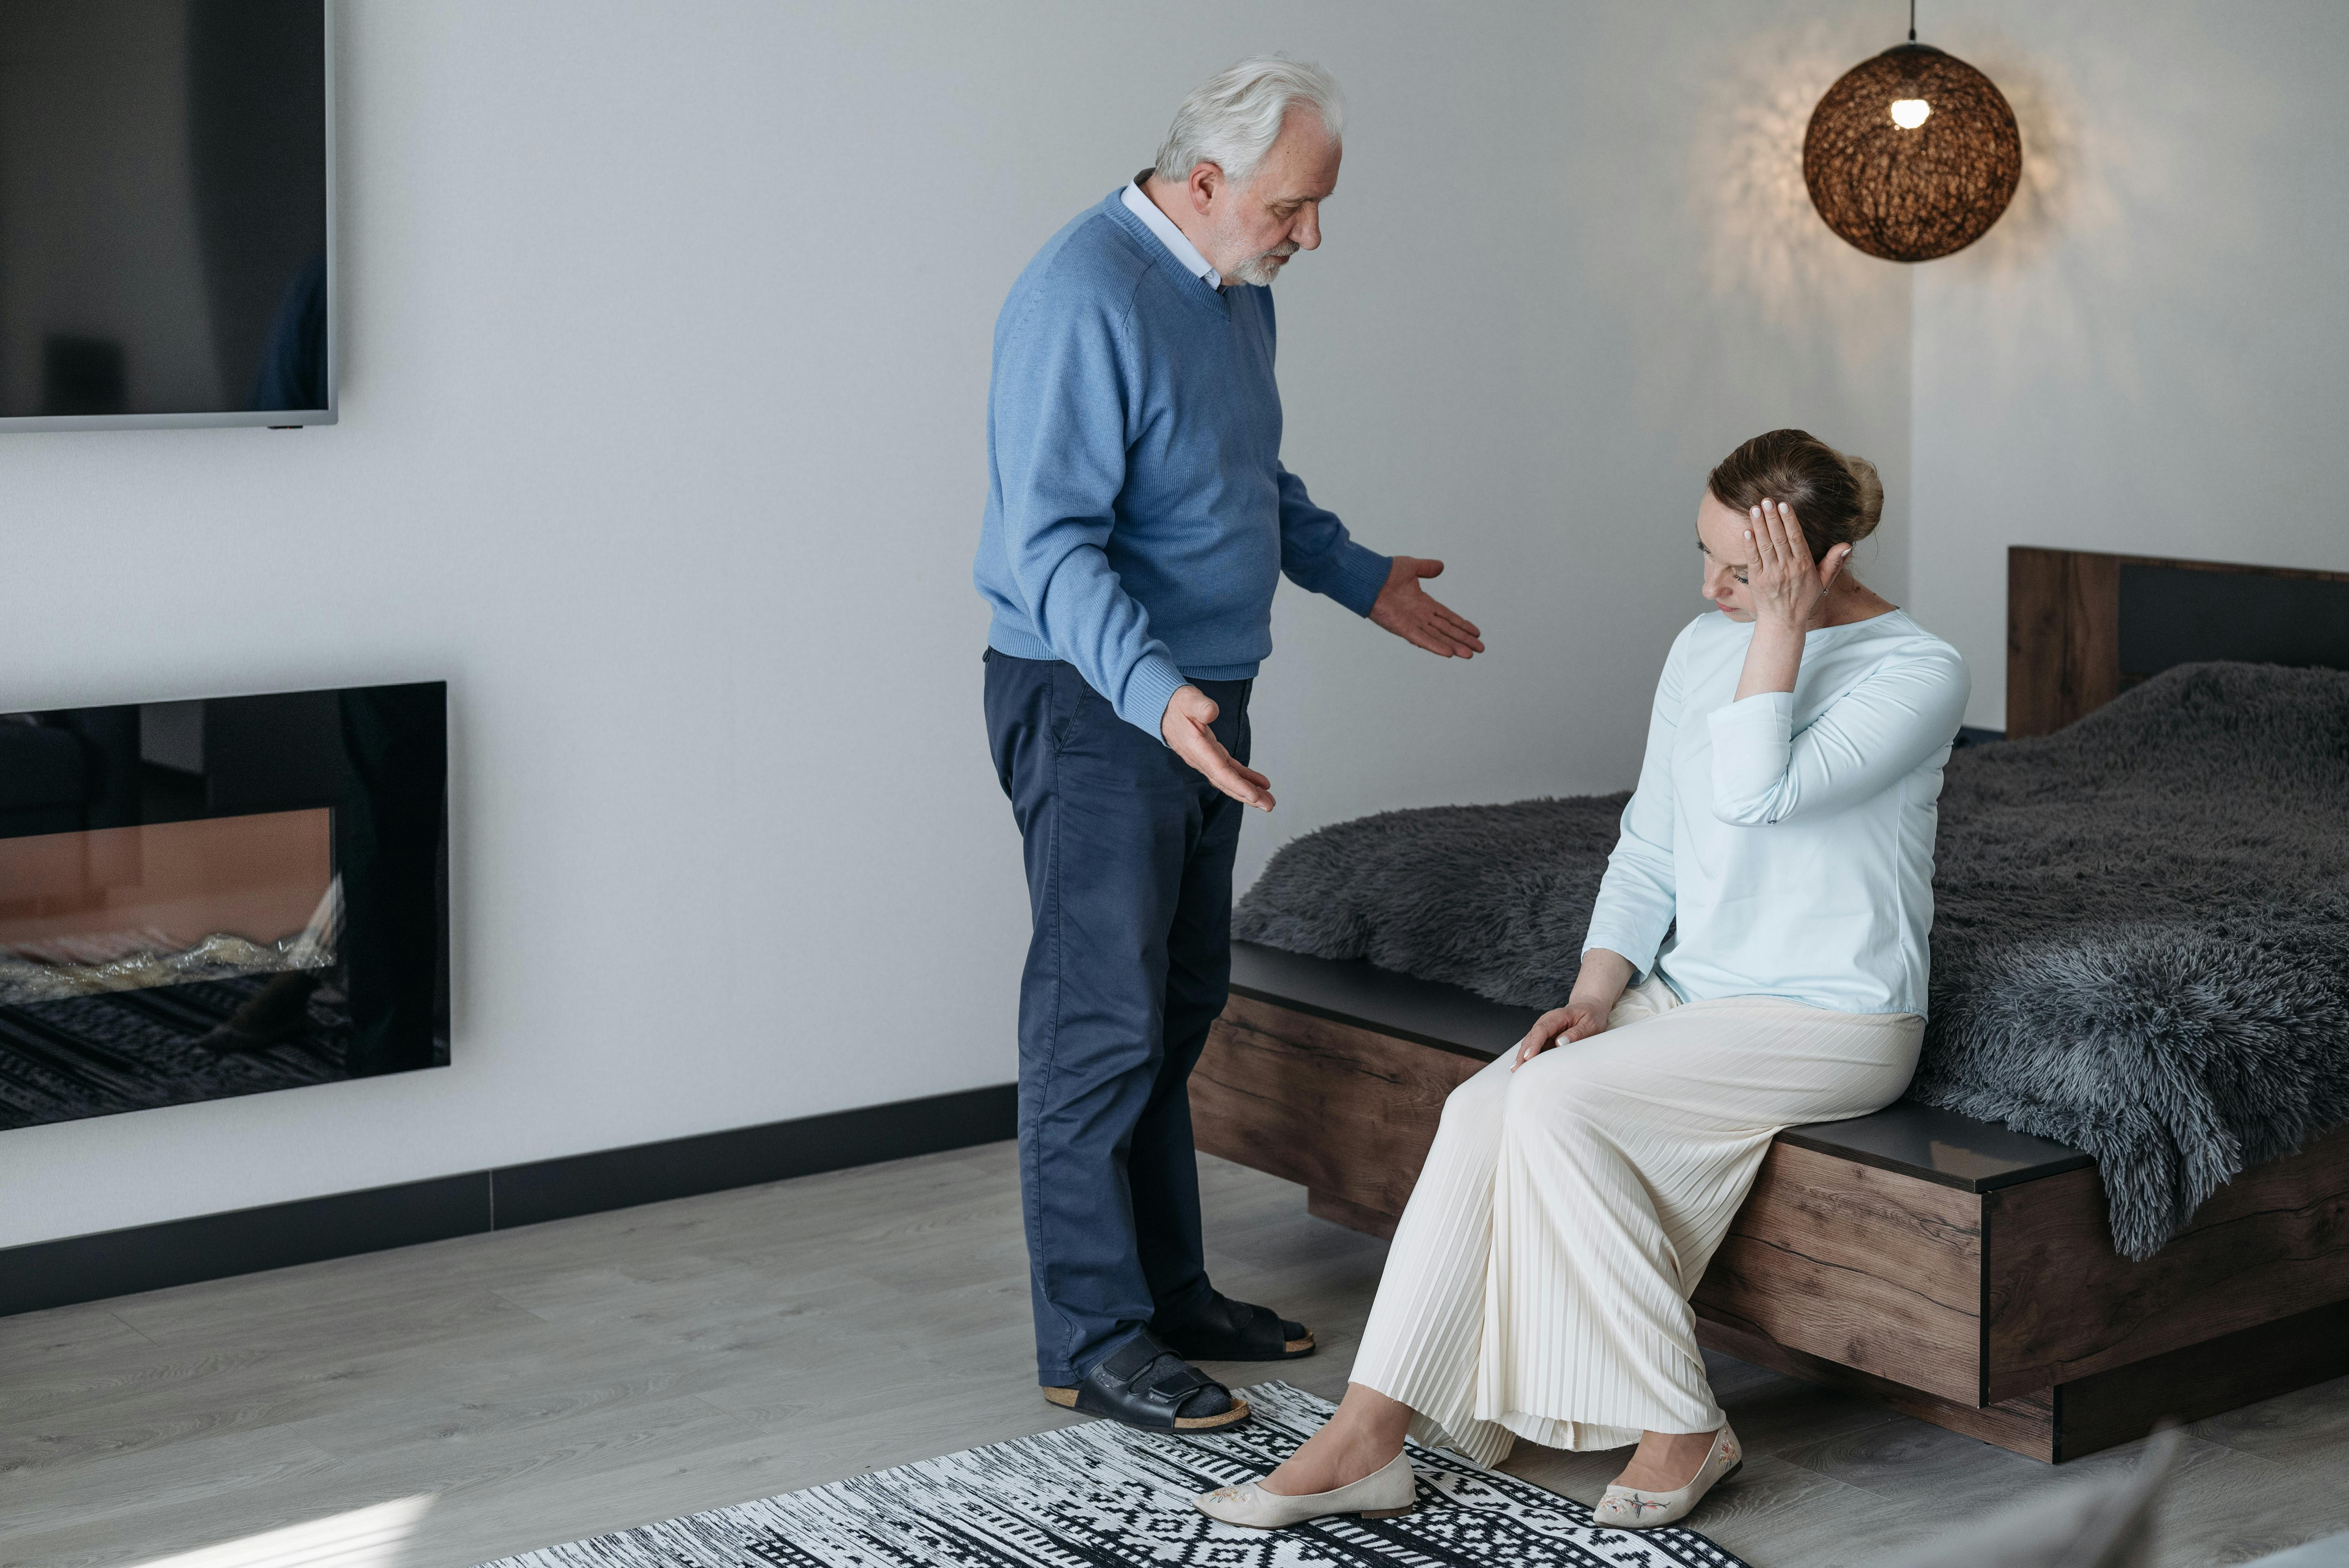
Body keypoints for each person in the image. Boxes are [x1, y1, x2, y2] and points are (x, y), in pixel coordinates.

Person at [1194, 429, 1969, 1528]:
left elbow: (1760, 794)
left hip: (1831, 1014)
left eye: (1742, 572)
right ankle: (1366, 1436)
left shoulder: (1919, 670)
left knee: (1550, 1106)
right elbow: (1651, 842)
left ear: (1825, 565)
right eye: (1701, 555)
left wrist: (1779, 638)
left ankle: (1683, 1420)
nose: (1709, 589)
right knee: (1486, 1104)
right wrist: (1598, 988)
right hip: (1691, 995)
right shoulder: (1704, 644)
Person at [976, 57, 1484, 1435]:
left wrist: (1357, 572)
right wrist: (1156, 693)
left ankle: (1167, 1292)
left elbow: (1242, 480)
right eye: (1293, 206)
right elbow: (1050, 545)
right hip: (1099, 705)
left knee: (1179, 1000)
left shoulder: (1228, 292)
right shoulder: (1082, 296)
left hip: (1194, 702)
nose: (1309, 235)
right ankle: (1090, 1337)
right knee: (1098, 1024)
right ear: (1204, 185)